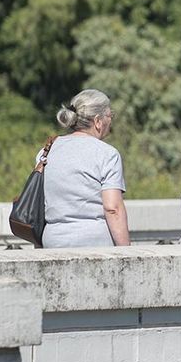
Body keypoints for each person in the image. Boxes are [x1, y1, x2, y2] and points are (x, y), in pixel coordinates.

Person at [40, 89, 130, 247]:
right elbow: (112, 208)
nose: (111, 122)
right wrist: (127, 252)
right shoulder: (107, 154)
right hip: (94, 244)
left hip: (53, 242)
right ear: (98, 121)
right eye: (110, 116)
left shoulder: (47, 151)